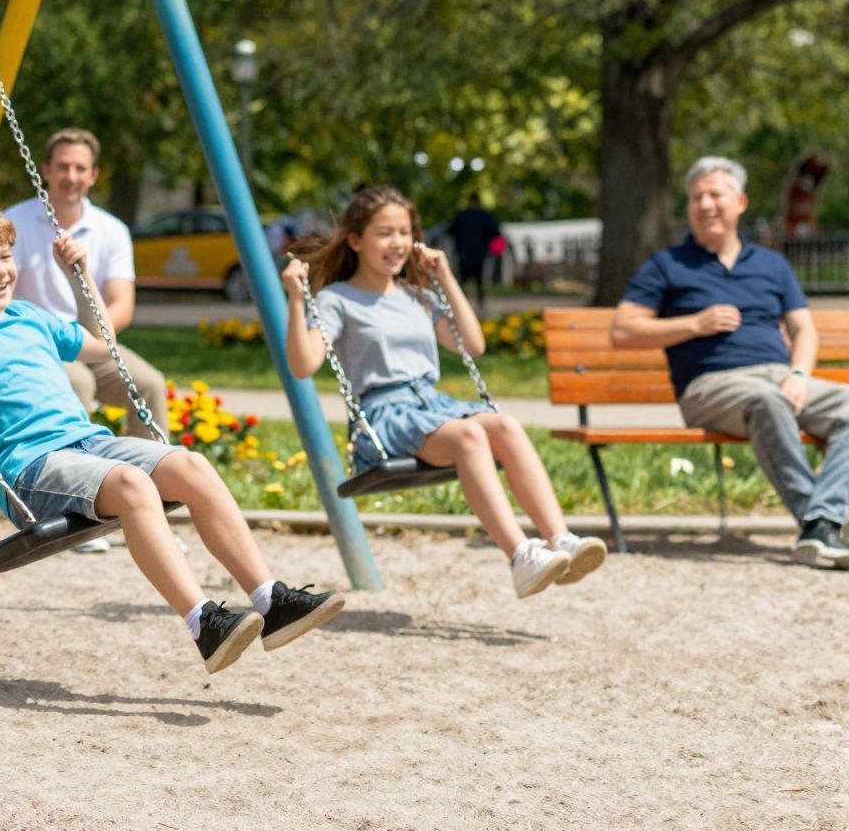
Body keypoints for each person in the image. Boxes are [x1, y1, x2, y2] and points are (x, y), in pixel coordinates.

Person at [0, 199, 345, 674]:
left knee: (191, 465)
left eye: (5, 256)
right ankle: (204, 623)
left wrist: (80, 277)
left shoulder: (29, 316)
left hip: (87, 442)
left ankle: (271, 600)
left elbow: (103, 342)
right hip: (30, 470)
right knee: (131, 484)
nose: (1, 270)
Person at [282, 185, 604, 598]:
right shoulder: (338, 299)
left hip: (433, 406)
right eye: (384, 233)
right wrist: (295, 300)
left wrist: (445, 278)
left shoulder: (418, 295)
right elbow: (303, 364)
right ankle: (521, 555)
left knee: (504, 425)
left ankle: (561, 540)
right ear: (356, 240)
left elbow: (472, 345)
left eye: (404, 232)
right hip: (385, 418)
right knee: (470, 435)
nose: (396, 243)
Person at [613, 155, 849, 569]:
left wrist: (797, 374)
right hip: (709, 385)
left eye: (714, 195)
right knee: (768, 401)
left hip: (778, 376)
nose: (705, 205)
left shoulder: (771, 264)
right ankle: (819, 524)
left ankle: (822, 520)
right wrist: (693, 324)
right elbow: (623, 330)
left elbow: (804, 331)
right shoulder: (667, 265)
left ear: (739, 202)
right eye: (696, 197)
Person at [1, 130, 169, 430]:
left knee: (150, 385)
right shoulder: (13, 223)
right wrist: (55, 338)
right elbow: (2, 297)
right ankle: (85, 474)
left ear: (93, 175)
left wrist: (89, 341)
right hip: (40, 342)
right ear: (46, 170)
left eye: (80, 169)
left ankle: (154, 473)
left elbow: (122, 305)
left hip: (92, 338)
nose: (71, 176)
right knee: (78, 383)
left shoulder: (112, 230)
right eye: (63, 166)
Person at [446, 193, 503, 313]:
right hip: (479, 254)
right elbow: (495, 232)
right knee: (479, 282)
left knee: (462, 282)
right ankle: (480, 305)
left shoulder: (462, 215)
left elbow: (450, 231)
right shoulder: (485, 215)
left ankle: (460, 306)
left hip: (464, 254)